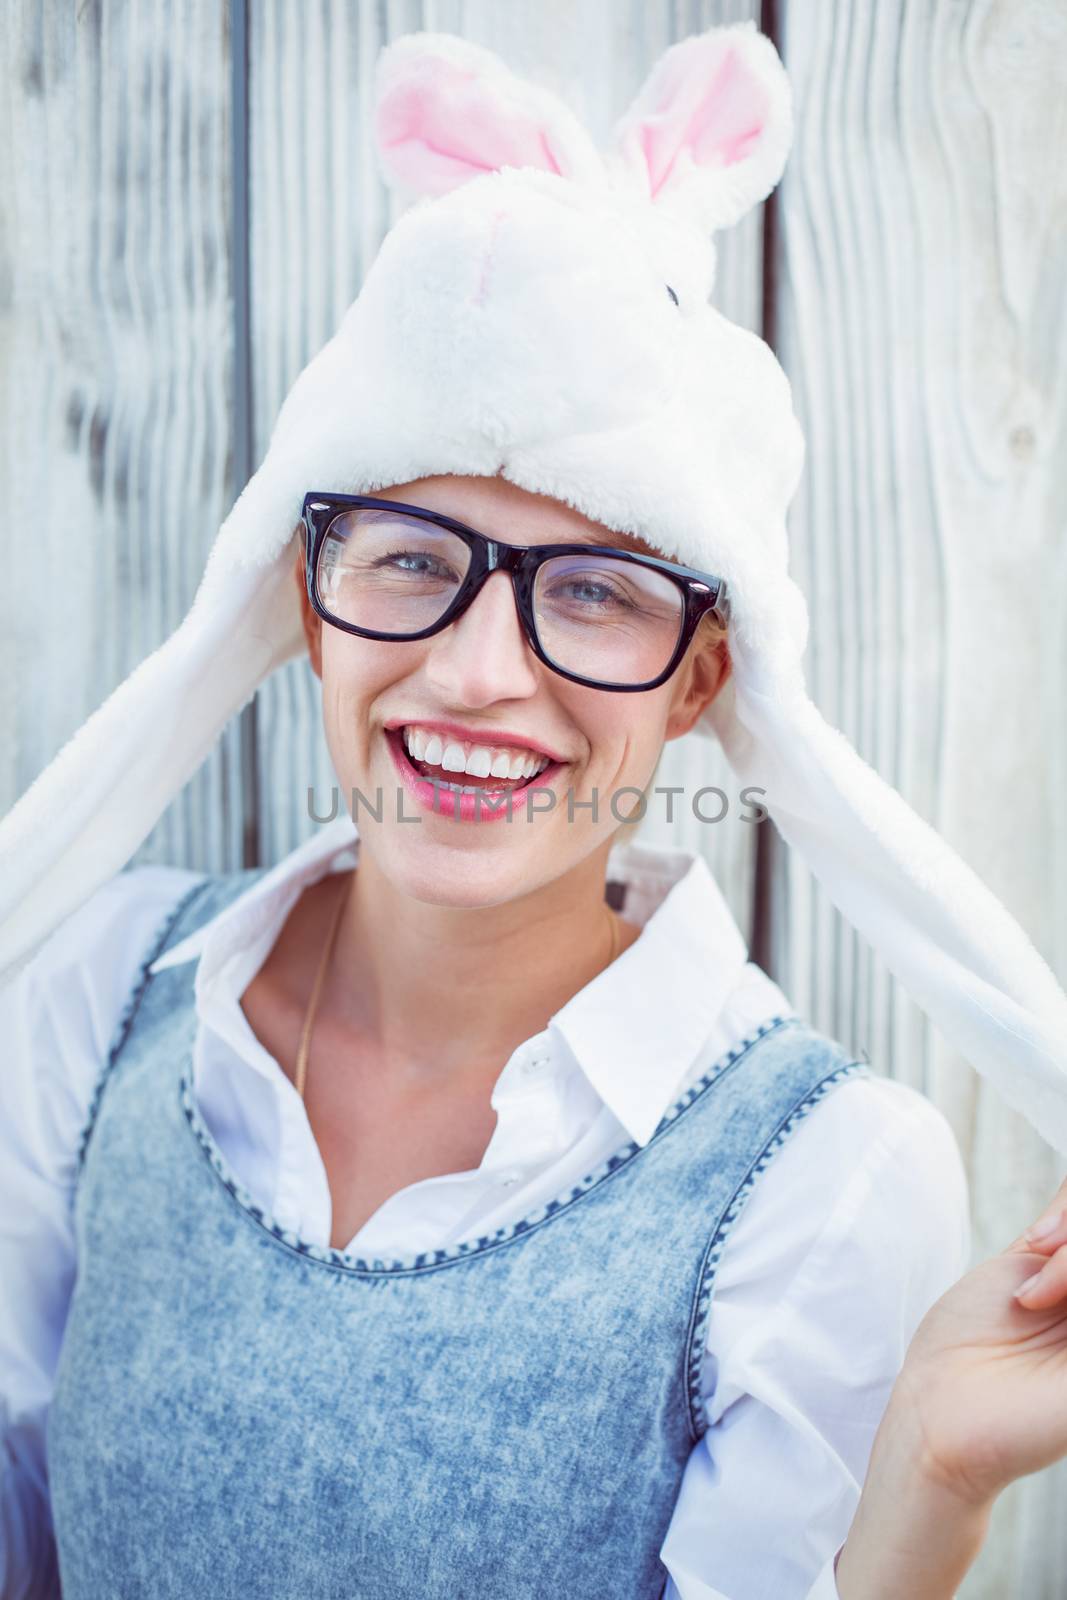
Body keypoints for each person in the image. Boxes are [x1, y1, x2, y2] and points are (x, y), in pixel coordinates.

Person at [1, 21, 1066, 1600]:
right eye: (413, 559)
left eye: (597, 591)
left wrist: (922, 1476)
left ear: (703, 675)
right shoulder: (94, 1008)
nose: (480, 671)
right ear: (306, 593)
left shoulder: (830, 1180)